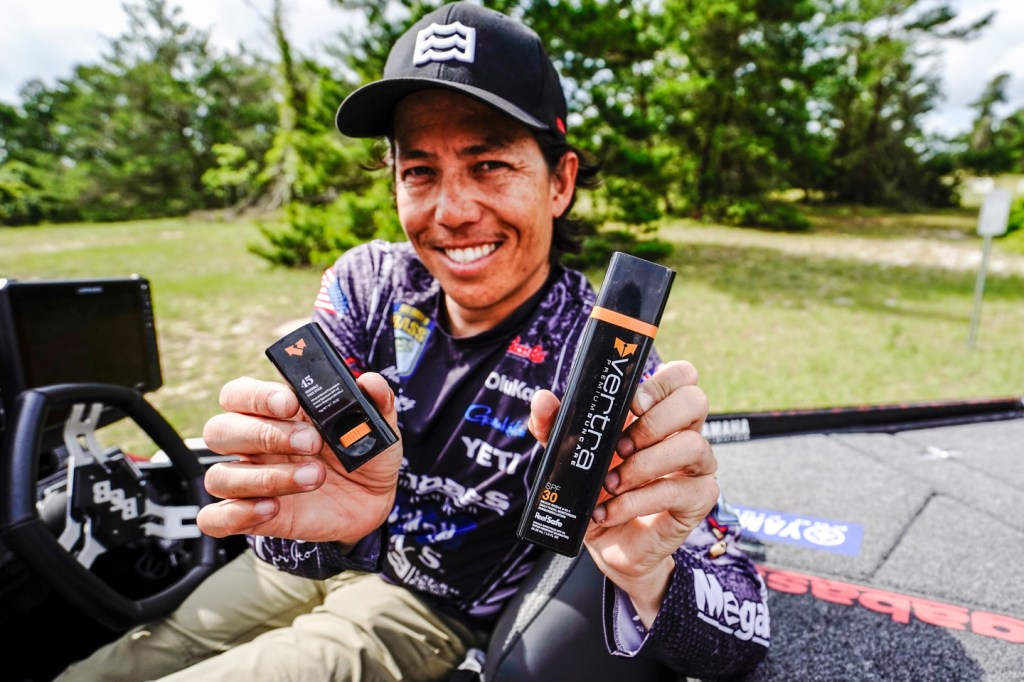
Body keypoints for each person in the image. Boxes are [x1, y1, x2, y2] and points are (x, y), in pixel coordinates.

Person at [57, 3, 769, 681]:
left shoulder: (604, 355)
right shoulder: (366, 283)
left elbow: (739, 630)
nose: (451, 212)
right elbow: (294, 513)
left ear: (560, 182)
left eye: (490, 165)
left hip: (425, 608)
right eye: (420, 172)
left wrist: (652, 573)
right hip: (305, 564)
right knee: (119, 664)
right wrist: (302, 516)